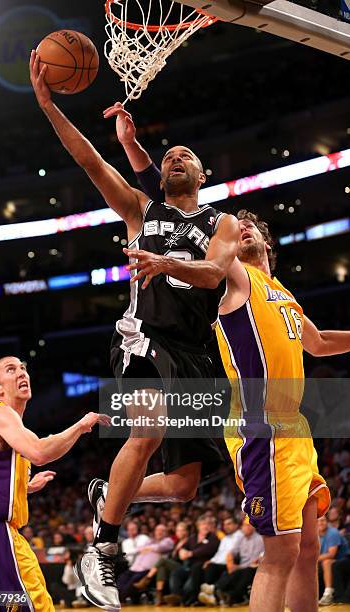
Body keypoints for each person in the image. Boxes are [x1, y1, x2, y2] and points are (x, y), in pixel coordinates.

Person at [110, 104, 350, 611]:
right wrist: (137, 156)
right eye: (233, 227)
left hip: (296, 427)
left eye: (248, 227)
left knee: (307, 548)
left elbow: (320, 342)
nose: (239, 228)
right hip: (260, 425)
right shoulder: (234, 277)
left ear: (266, 242)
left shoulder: (280, 290)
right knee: (280, 553)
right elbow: (183, 227)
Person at [30, 53, 240, 611]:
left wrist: (165, 264)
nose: (175, 158)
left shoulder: (223, 224)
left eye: (185, 155)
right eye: (167, 154)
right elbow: (92, 163)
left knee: (183, 486)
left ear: (201, 175)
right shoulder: (141, 210)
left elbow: (215, 273)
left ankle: (107, 493)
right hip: (144, 338)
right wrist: (50, 106)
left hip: (196, 353)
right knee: (145, 435)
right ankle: (102, 551)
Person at [0, 356, 109, 612]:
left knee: (37, 603)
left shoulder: (16, 428)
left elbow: (40, 447)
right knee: (16, 606)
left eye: (23, 368)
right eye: (11, 370)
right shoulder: (0, 415)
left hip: (6, 531)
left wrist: (25, 487)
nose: (21, 373)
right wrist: (81, 425)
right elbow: (40, 452)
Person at [117, 523, 174, 603]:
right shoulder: (150, 541)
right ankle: (117, 598)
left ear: (166, 533)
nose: (159, 532)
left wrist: (149, 548)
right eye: (157, 530)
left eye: (162, 531)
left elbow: (161, 547)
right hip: (134, 567)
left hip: (147, 569)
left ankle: (120, 599)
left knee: (133, 581)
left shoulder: (168, 541)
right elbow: (139, 548)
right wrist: (148, 548)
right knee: (121, 579)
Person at [198, 515, 243, 604]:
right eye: (224, 524)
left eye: (229, 524)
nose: (226, 526)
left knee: (212, 567)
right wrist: (211, 560)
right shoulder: (225, 538)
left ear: (236, 525)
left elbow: (236, 554)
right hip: (220, 563)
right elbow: (219, 553)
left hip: (231, 563)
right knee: (209, 565)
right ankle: (209, 594)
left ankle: (211, 593)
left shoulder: (240, 536)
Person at [318, 514, 349, 605]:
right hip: (328, 560)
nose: (320, 523)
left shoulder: (333, 532)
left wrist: (313, 559)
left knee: (326, 562)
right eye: (318, 521)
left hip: (343, 559)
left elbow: (332, 554)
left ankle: (328, 594)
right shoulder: (315, 535)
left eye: (323, 520)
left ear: (327, 522)